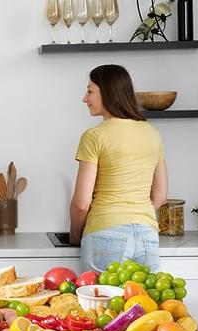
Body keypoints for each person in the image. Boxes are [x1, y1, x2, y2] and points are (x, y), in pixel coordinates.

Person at [70, 64, 168, 272]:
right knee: (142, 304)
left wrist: (74, 236)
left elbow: (81, 203)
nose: (85, 98)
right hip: (146, 237)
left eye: (90, 91)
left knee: (100, 304)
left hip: (105, 233)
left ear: (108, 92)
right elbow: (160, 197)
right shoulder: (152, 133)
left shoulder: (94, 137)